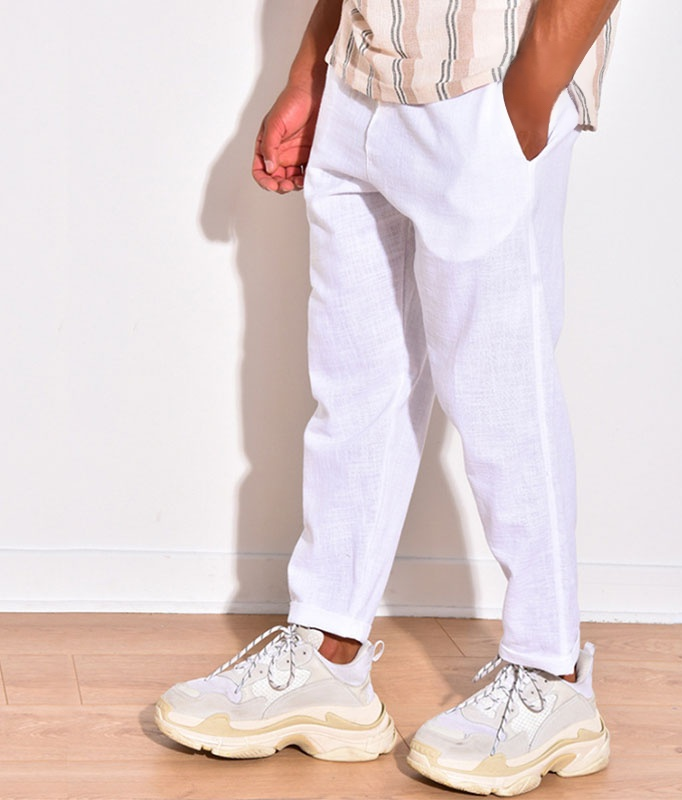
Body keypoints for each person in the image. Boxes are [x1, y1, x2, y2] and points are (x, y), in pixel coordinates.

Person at [155, 0, 620, 794]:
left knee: (502, 393)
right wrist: (312, 68)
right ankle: (327, 651)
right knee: (355, 387)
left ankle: (552, 673)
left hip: (485, 80)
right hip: (360, 79)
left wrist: (525, 103)